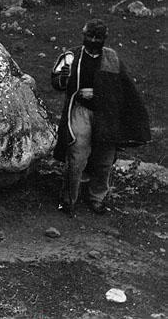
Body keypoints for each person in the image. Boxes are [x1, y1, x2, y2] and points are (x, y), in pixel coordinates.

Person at [51, 19, 150, 216]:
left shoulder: (112, 58)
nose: (94, 40)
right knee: (77, 153)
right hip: (80, 110)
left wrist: (101, 96)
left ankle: (98, 198)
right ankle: (68, 199)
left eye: (98, 37)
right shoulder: (72, 56)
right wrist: (64, 77)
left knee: (105, 159)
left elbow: (125, 88)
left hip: (106, 114)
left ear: (104, 39)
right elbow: (56, 82)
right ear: (84, 36)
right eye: (90, 36)